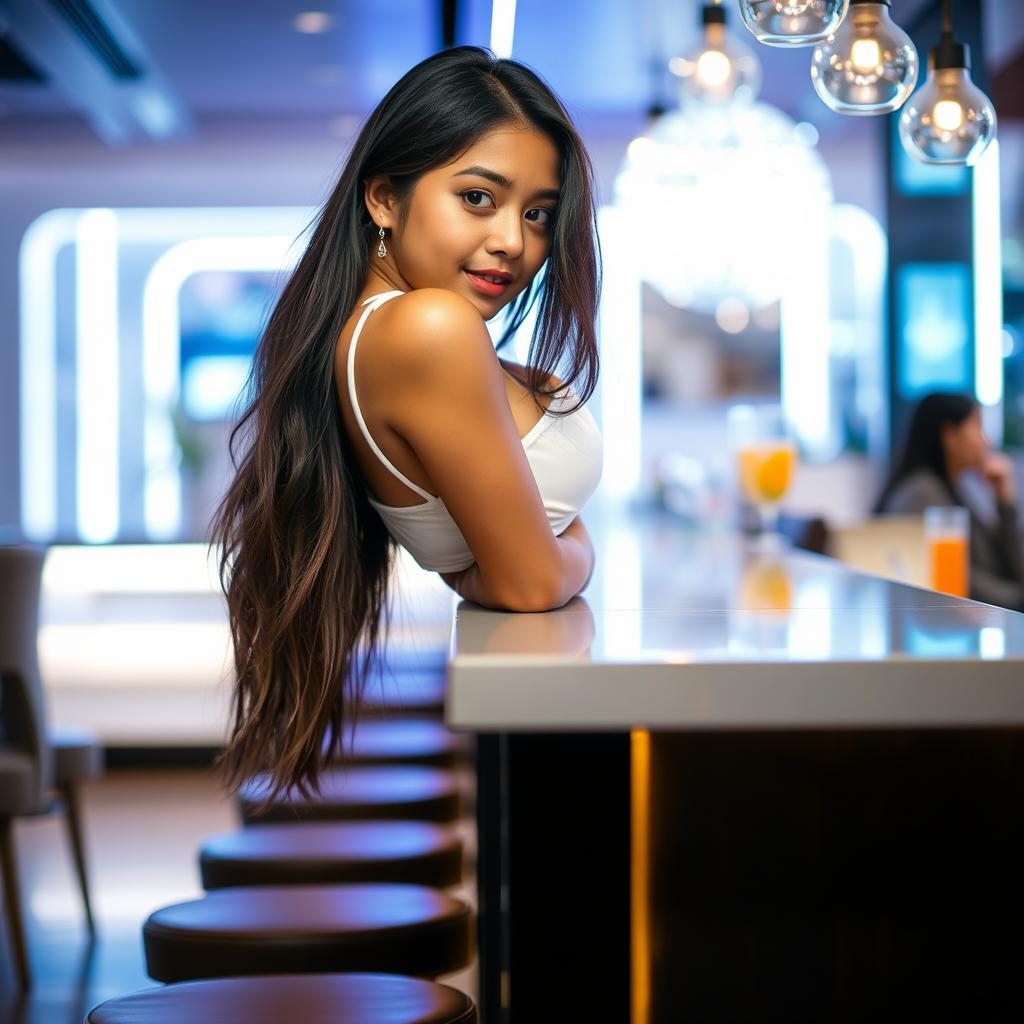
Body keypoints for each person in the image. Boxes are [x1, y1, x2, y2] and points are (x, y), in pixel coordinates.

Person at [209, 46, 603, 798]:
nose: (514, 242)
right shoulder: (426, 328)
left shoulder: (387, 329)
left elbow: (496, 568)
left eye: (538, 213)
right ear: (385, 199)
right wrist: (579, 545)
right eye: (479, 198)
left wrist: (536, 555)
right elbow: (527, 584)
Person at [874, 391, 1023, 610]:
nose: (986, 441)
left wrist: (1004, 501)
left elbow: (1012, 566)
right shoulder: (921, 494)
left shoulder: (959, 489)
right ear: (949, 435)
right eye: (977, 427)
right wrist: (1019, 601)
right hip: (953, 624)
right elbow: (958, 579)